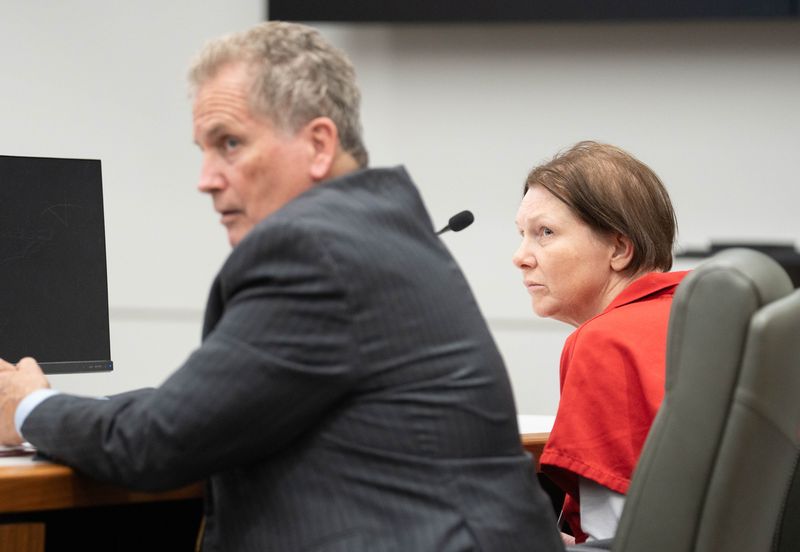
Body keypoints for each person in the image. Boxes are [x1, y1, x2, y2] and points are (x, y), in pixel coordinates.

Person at [0, 22, 563, 552]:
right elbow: (217, 401)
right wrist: (66, 403)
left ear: (319, 144)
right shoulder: (377, 228)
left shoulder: (313, 252)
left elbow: (157, 444)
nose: (205, 179)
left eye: (229, 144)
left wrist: (30, 408)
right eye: (203, 149)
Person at [512, 141, 688, 544]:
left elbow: (617, 541)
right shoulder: (694, 315)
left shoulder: (604, 342)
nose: (520, 256)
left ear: (619, 249)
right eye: (522, 235)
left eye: (545, 233)